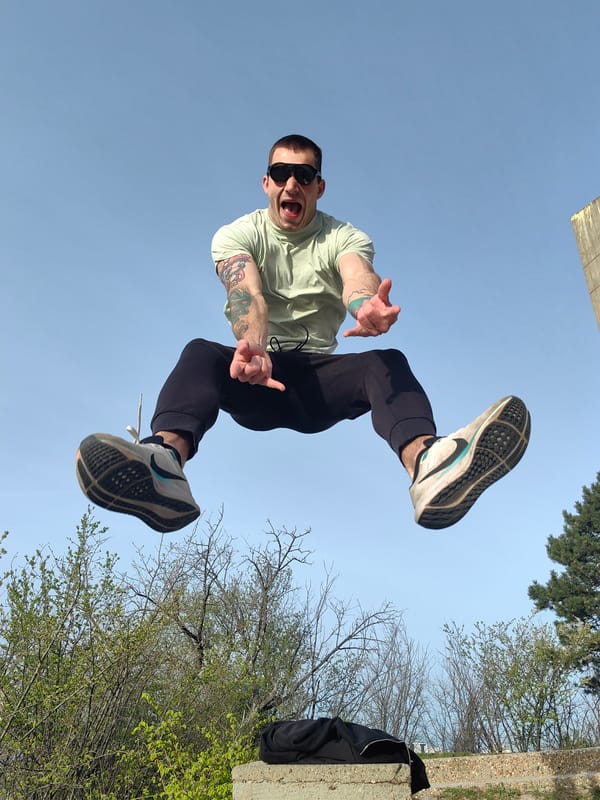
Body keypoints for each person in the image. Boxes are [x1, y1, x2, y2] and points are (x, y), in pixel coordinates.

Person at [76, 134, 530, 533]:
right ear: (267, 183)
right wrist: (252, 344)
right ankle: (164, 464)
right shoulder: (238, 234)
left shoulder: (342, 235)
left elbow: (356, 276)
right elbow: (246, 290)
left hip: (318, 381)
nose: (292, 184)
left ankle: (429, 463)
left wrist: (364, 305)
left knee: (385, 362)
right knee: (200, 353)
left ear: (319, 186)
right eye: (281, 173)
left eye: (304, 174)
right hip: (258, 374)